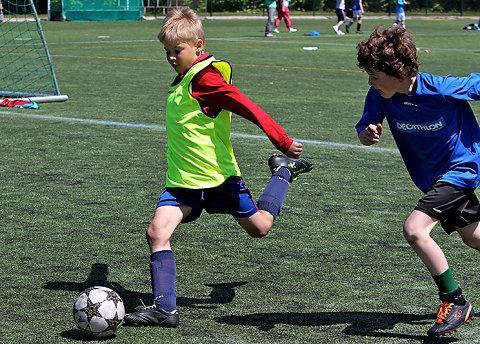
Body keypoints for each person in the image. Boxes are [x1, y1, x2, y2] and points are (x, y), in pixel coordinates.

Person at [123, 7, 313, 327]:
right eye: (167, 51)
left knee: (260, 228)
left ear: (198, 45)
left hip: (217, 179)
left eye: (177, 50)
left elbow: (245, 105)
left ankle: (284, 171)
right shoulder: (184, 78)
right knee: (156, 232)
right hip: (182, 182)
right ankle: (165, 309)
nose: (171, 57)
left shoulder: (205, 79)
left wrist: (280, 140)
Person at [355, 25, 479, 337]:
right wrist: (367, 134)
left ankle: (455, 302)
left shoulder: (441, 89)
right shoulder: (381, 95)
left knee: (414, 229)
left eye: (375, 76)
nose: (370, 82)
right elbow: (364, 127)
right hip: (433, 179)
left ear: (400, 72)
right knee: (474, 237)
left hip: (460, 170)